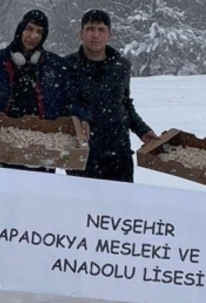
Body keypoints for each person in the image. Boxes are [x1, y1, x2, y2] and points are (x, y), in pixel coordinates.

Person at [0, 8, 87, 171]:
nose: (33, 36)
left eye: (39, 32)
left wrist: (82, 119)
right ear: (20, 30)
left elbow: (71, 100)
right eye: (29, 29)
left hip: (46, 150)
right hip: (4, 149)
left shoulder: (56, 66)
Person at [65, 9, 157, 182]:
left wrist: (143, 131)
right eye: (90, 29)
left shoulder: (121, 66)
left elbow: (124, 104)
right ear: (81, 34)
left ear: (110, 35)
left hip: (118, 152)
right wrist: (80, 117)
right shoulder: (67, 66)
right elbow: (63, 105)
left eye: (101, 30)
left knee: (121, 207)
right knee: (83, 207)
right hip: (82, 153)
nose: (95, 35)